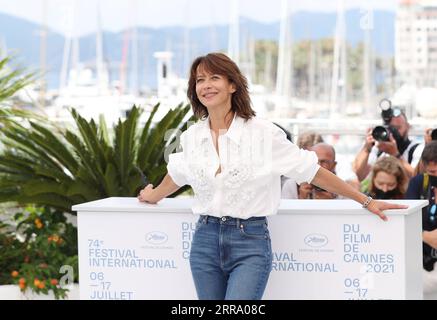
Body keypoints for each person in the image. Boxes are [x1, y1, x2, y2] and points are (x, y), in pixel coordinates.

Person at [137, 52, 407, 300]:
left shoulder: (262, 134)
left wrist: (366, 200)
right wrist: (153, 195)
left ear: (233, 85)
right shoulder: (192, 137)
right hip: (204, 240)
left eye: (214, 77)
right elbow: (178, 174)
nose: (206, 85)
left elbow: (313, 172)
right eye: (200, 80)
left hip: (249, 242)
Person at [353, 110, 424, 181]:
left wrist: (395, 155)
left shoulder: (416, 148)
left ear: (408, 127)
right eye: (390, 128)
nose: (393, 132)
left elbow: (418, 178)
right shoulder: (377, 148)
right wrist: (366, 149)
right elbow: (358, 176)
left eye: (397, 128)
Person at [405, 141, 437, 299]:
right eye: (432, 172)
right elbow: (406, 220)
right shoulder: (418, 183)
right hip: (422, 262)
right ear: (424, 167)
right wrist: (424, 236)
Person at [282, 132, 324, 199]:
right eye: (306, 160)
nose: (312, 164)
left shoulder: (332, 182)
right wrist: (302, 199)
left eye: (317, 160)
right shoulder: (291, 185)